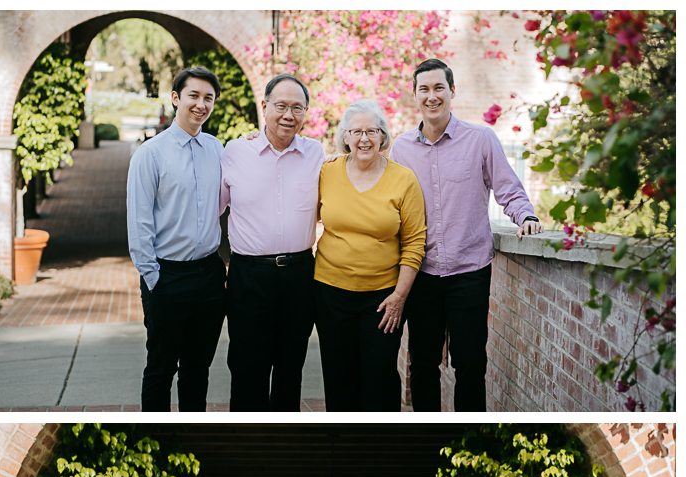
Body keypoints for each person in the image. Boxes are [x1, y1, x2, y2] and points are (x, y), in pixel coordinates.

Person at [390, 59, 543, 412]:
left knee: (471, 364)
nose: (432, 96)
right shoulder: (400, 149)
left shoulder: (481, 139)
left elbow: (508, 188)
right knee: (423, 365)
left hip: (469, 272)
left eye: (439, 88)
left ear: (452, 91)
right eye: (424, 89)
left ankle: (467, 438)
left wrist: (527, 216)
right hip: (422, 275)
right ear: (415, 96)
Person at [219, 74, 325, 411]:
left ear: (306, 113)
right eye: (280, 106)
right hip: (248, 276)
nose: (288, 115)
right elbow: (211, 209)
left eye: (297, 108)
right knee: (247, 368)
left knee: (290, 368)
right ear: (264, 107)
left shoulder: (316, 154)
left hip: (299, 275)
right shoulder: (235, 151)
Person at [315, 101, 426, 412]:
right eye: (356, 131)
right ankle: (340, 447)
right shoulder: (325, 172)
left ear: (383, 136)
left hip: (382, 299)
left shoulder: (404, 179)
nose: (364, 139)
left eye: (372, 131)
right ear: (345, 137)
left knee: (379, 377)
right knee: (338, 376)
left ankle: (379, 446)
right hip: (330, 293)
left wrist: (400, 296)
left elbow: (415, 242)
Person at [127, 67, 226, 412]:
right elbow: (139, 223)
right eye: (194, 96)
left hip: (210, 276)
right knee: (161, 369)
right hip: (167, 277)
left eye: (208, 98)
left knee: (198, 369)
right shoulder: (150, 154)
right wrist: (154, 279)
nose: (201, 104)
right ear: (176, 98)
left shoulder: (217, 149)